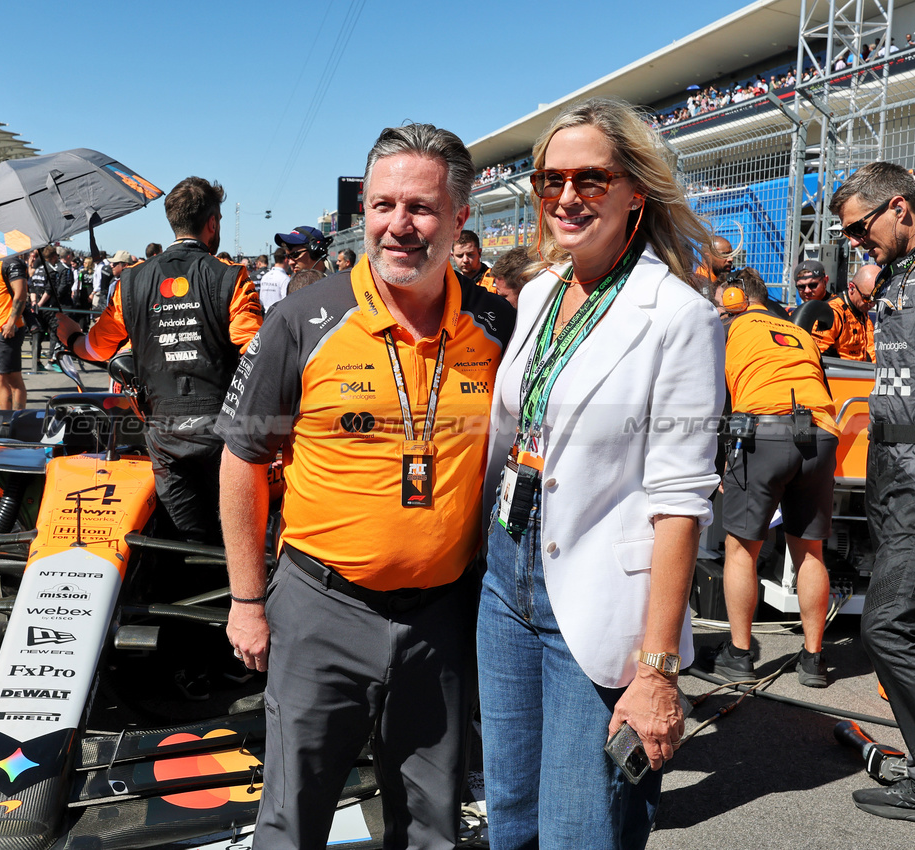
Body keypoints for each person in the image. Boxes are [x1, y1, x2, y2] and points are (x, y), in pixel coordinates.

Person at [219, 123, 512, 850]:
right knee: (291, 819)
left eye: (419, 207)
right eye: (383, 205)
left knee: (432, 822)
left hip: (441, 616)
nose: (398, 225)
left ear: (457, 218)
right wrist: (246, 600)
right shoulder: (301, 319)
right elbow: (242, 459)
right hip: (320, 606)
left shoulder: (498, 324)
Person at [481, 97, 723, 849]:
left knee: (580, 830)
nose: (564, 197)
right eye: (547, 180)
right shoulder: (538, 294)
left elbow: (679, 502)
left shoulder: (679, 315)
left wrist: (655, 671)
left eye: (590, 178)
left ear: (632, 191)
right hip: (503, 575)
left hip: (597, 599)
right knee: (509, 815)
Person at [830, 161, 915, 830]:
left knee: (889, 627)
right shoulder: (900, 270)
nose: (853, 241)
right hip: (894, 477)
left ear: (899, 207)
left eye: (859, 227)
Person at [56, 176, 261, 544]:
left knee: (183, 542)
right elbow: (256, 354)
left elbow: (97, 349)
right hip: (224, 432)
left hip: (163, 432)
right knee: (231, 540)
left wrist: (69, 335)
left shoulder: (131, 282)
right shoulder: (232, 278)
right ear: (212, 222)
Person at [711, 268, 837, 687]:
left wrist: (717, 461)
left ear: (734, 299)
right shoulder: (796, 331)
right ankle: (814, 660)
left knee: (741, 548)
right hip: (818, 435)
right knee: (810, 551)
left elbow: (715, 396)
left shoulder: (730, 329)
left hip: (762, 434)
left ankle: (740, 654)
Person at [0, 254, 29, 410]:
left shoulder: (11, 262)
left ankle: (16, 421)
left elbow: (21, 293)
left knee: (13, 379)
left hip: (6, 329)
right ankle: (7, 421)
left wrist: (11, 322)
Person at [811, 263, 878, 361]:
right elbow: (816, 354)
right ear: (851, 288)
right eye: (867, 298)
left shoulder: (862, 310)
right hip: (837, 373)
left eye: (876, 299)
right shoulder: (832, 312)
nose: (872, 304)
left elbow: (871, 351)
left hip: (859, 372)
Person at [257, 246, 291, 312]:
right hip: (279, 316)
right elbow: (286, 301)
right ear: (286, 259)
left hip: (266, 316)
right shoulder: (285, 279)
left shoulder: (265, 277)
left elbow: (261, 300)